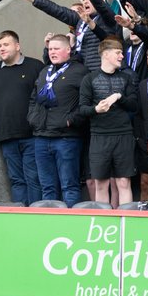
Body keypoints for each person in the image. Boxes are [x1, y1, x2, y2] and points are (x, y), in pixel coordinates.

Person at [0, 30, 44, 205]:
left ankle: (34, 217)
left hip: (32, 135)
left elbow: (45, 99)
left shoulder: (35, 66)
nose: (2, 49)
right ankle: (20, 218)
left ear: (17, 46)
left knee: (33, 178)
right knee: (16, 179)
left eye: (6, 44)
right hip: (6, 136)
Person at [29, 34, 89, 207]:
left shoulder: (79, 71)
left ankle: (70, 227)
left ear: (68, 49)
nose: (52, 52)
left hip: (66, 138)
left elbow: (86, 102)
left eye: (56, 49)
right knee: (47, 187)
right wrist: (32, 118)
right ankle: (50, 228)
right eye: (50, 49)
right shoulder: (44, 71)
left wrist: (70, 120)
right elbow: (33, 99)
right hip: (41, 136)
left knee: (69, 186)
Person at [79, 37, 139, 207]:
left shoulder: (126, 78)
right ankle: (102, 225)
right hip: (99, 136)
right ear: (105, 54)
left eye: (121, 52)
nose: (122, 56)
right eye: (118, 52)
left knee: (123, 182)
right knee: (101, 184)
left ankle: (127, 221)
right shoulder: (89, 79)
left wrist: (118, 97)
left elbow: (134, 106)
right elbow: (82, 109)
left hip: (123, 135)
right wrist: (96, 109)